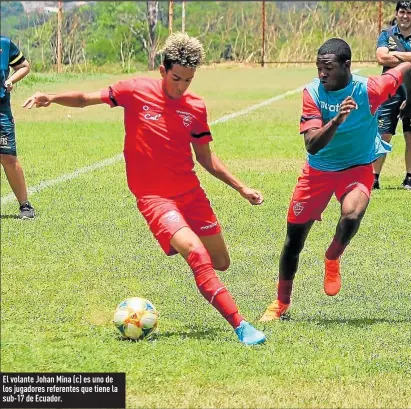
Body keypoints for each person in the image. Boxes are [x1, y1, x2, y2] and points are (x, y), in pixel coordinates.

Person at [23, 33, 266, 345]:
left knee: (220, 262)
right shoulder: (135, 90)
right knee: (196, 253)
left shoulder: (195, 108)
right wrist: (53, 97)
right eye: (176, 78)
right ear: (162, 70)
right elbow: (85, 99)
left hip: (191, 194)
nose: (181, 87)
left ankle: (181, 242)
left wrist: (241, 188)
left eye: (188, 80)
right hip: (154, 198)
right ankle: (242, 327)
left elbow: (205, 158)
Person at [260, 38, 411, 321]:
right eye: (319, 67)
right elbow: (312, 145)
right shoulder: (312, 93)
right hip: (317, 173)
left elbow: (408, 67)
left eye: (328, 68)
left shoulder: (369, 89)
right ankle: (280, 304)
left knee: (351, 216)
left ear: (346, 66)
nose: (322, 74)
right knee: (293, 242)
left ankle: (332, 257)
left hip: (357, 168)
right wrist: (335, 121)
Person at [373, 0, 411, 190]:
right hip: (388, 93)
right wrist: (410, 56)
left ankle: (409, 178)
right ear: (396, 13)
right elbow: (380, 58)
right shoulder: (386, 34)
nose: (405, 16)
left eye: (410, 13)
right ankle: (374, 177)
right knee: (383, 134)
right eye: (402, 12)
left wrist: (394, 54)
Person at [0, 36, 35, 218]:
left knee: (8, 157)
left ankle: (25, 205)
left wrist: (11, 80)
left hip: (1, 109)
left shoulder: (4, 44)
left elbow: (24, 66)